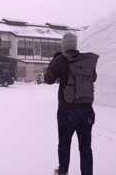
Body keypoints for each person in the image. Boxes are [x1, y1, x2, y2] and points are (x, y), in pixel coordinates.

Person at [44, 33, 99, 175]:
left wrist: (55, 60)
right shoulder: (85, 61)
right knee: (85, 147)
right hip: (87, 111)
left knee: (64, 145)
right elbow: (93, 78)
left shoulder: (60, 60)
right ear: (75, 45)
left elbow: (48, 79)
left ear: (64, 45)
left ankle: (62, 172)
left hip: (67, 111)